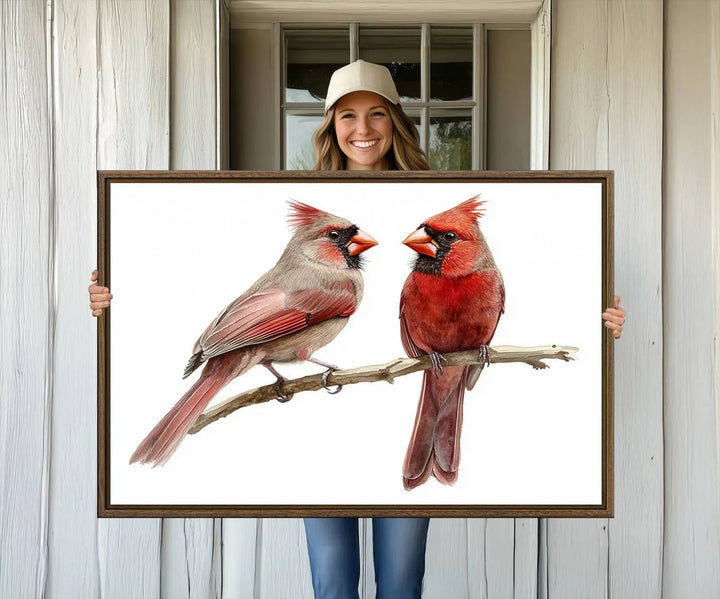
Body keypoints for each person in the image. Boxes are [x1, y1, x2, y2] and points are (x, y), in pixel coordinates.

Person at [88, 60, 626, 599]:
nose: (362, 129)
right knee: (332, 581)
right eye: (347, 115)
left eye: (376, 115)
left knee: (400, 578)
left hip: (366, 397)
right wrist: (114, 300)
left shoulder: (434, 202)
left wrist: (595, 317)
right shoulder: (304, 217)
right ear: (330, 126)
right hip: (322, 453)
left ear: (396, 122)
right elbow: (281, 313)